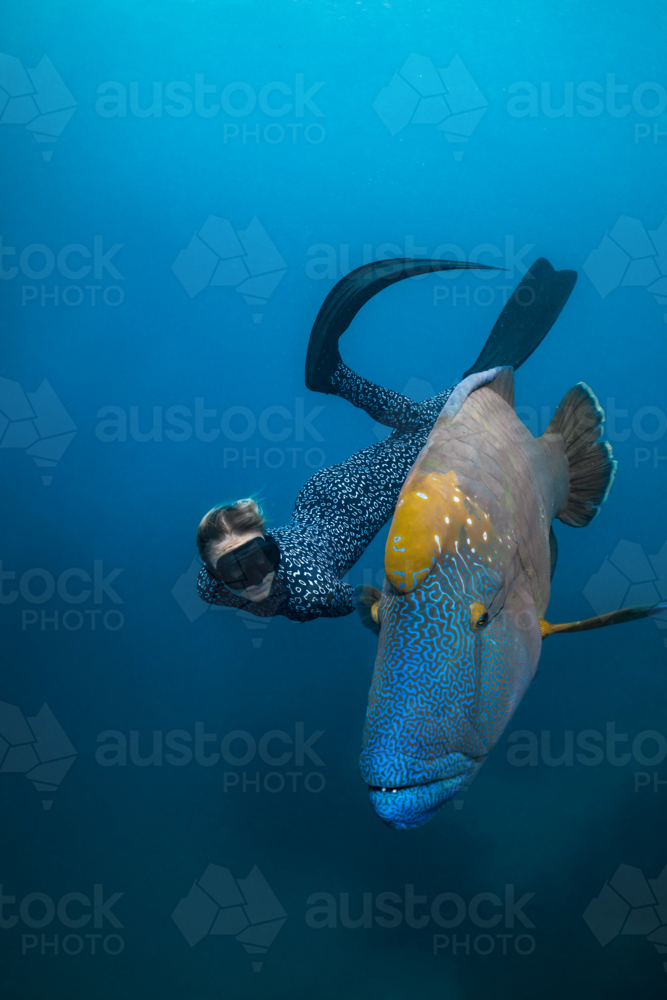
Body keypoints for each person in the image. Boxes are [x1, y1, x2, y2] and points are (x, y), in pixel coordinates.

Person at [196, 257, 577, 623]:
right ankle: (340, 377)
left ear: (269, 545)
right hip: (316, 497)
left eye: (260, 558)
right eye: (234, 571)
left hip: (355, 503)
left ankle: (338, 376)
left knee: (443, 422)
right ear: (214, 575)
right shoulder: (210, 586)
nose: (255, 577)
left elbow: (363, 600)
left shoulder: (309, 595)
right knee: (428, 420)